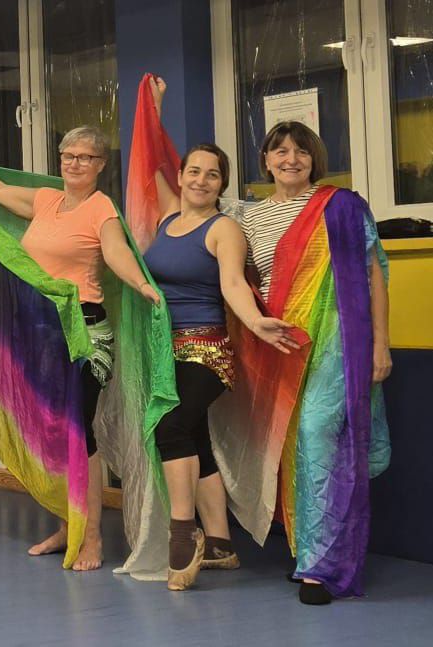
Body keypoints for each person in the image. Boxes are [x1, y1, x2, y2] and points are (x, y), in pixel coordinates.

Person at [0, 126, 161, 571]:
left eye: (85, 157)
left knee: (78, 431)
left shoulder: (102, 209)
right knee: (53, 432)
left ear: (100, 165)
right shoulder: (45, 200)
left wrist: (141, 285)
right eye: (68, 155)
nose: (74, 163)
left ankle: (91, 536)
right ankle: (68, 526)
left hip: (85, 334)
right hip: (41, 333)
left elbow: (116, 252)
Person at [142, 76, 300, 590]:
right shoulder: (166, 220)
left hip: (207, 352)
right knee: (195, 438)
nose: (202, 180)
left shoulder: (224, 228)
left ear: (222, 185)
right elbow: (151, 160)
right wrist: (154, 109)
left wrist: (255, 322)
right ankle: (221, 543)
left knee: (170, 428)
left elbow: (233, 283)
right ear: (182, 176)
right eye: (194, 171)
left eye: (213, 175)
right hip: (164, 351)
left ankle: (183, 534)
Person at [235, 119, 391, 605]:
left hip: (338, 342)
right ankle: (308, 551)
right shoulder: (249, 218)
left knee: (317, 435)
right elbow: (246, 281)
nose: (291, 159)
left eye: (301, 151)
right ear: (266, 160)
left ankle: (322, 566)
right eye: (280, 151)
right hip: (281, 344)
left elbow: (374, 275)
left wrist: (381, 344)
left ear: (314, 159)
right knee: (291, 447)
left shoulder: (341, 206)